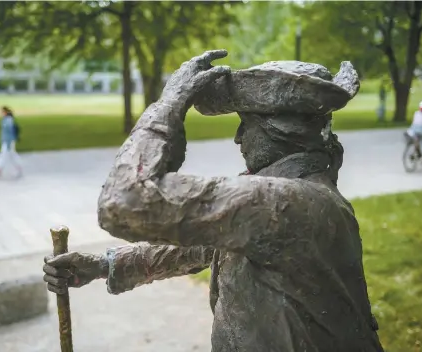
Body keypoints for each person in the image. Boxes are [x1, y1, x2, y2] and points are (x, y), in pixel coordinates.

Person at [43, 51, 384, 351]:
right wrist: (105, 266)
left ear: (280, 129)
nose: (238, 138)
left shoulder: (289, 201)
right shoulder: (288, 194)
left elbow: (124, 201)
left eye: (246, 124)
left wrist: (168, 107)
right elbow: (207, 245)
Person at [0, 106, 22, 177]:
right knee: (11, 155)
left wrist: (9, 141)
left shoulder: (8, 121)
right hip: (6, 140)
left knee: (4, 154)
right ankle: (18, 166)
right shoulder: (5, 120)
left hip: (8, 141)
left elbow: (10, 131)